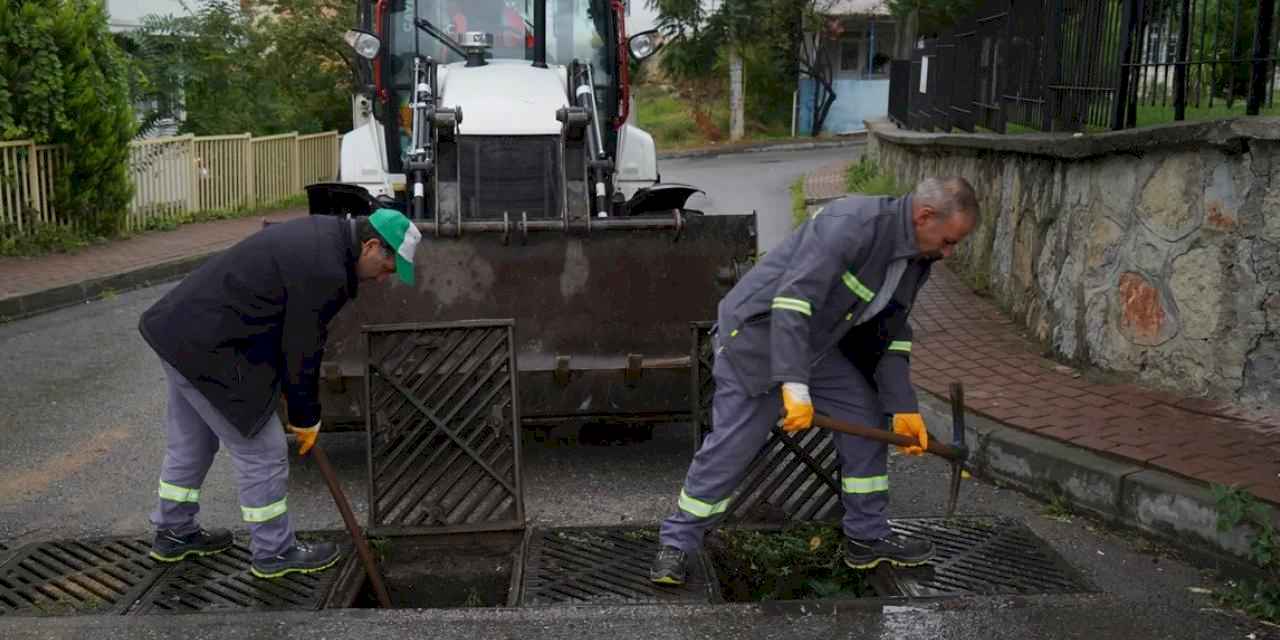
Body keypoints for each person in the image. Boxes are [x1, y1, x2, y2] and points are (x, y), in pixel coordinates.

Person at [649, 177, 980, 585]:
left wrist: (902, 406)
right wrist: (794, 385)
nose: (948, 252)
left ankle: (867, 535)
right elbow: (792, 302)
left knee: (865, 418)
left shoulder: (917, 259)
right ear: (925, 216)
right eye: (948, 241)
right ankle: (677, 542)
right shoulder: (851, 224)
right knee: (732, 448)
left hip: (816, 346)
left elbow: (891, 331)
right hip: (757, 342)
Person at [139, 209, 422, 579]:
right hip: (209, 346)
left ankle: (173, 531)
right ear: (370, 246)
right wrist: (305, 417)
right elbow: (301, 347)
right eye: (387, 267)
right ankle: (274, 552)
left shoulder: (326, 236)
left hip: (177, 330)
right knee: (264, 451)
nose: (384, 278)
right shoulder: (328, 270)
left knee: (193, 442)